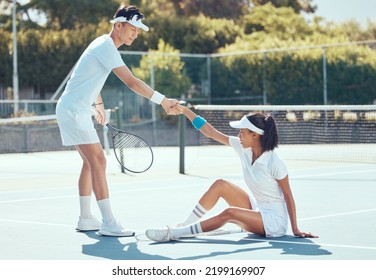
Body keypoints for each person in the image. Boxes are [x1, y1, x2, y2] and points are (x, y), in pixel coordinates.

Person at [56, 5, 179, 237]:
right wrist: (163, 101)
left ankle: (85, 218)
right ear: (118, 25)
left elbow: (89, 79)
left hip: (73, 109)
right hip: (74, 111)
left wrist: (98, 105)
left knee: (89, 163)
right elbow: (131, 82)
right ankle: (109, 222)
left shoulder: (102, 45)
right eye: (132, 28)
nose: (135, 34)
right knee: (99, 161)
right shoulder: (106, 46)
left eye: (138, 30)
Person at [145, 105, 318, 242]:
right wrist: (185, 111)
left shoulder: (275, 162)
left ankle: (175, 233)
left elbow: (288, 195)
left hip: (273, 222)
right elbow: (211, 132)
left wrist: (295, 229)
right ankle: (185, 225)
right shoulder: (244, 148)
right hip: (256, 208)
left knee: (230, 213)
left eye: (242, 132)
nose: (239, 135)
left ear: (255, 135)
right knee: (220, 184)